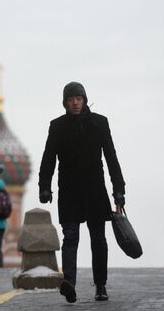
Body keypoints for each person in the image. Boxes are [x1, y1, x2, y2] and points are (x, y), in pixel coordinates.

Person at [38, 81, 126, 303]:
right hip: (68, 191)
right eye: (70, 99)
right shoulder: (57, 126)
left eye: (78, 98)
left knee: (98, 239)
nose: (75, 103)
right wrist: (44, 186)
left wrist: (119, 191)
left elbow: (111, 158)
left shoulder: (100, 123)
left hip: (95, 190)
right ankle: (70, 283)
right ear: (65, 103)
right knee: (71, 237)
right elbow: (48, 157)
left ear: (84, 100)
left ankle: (101, 285)